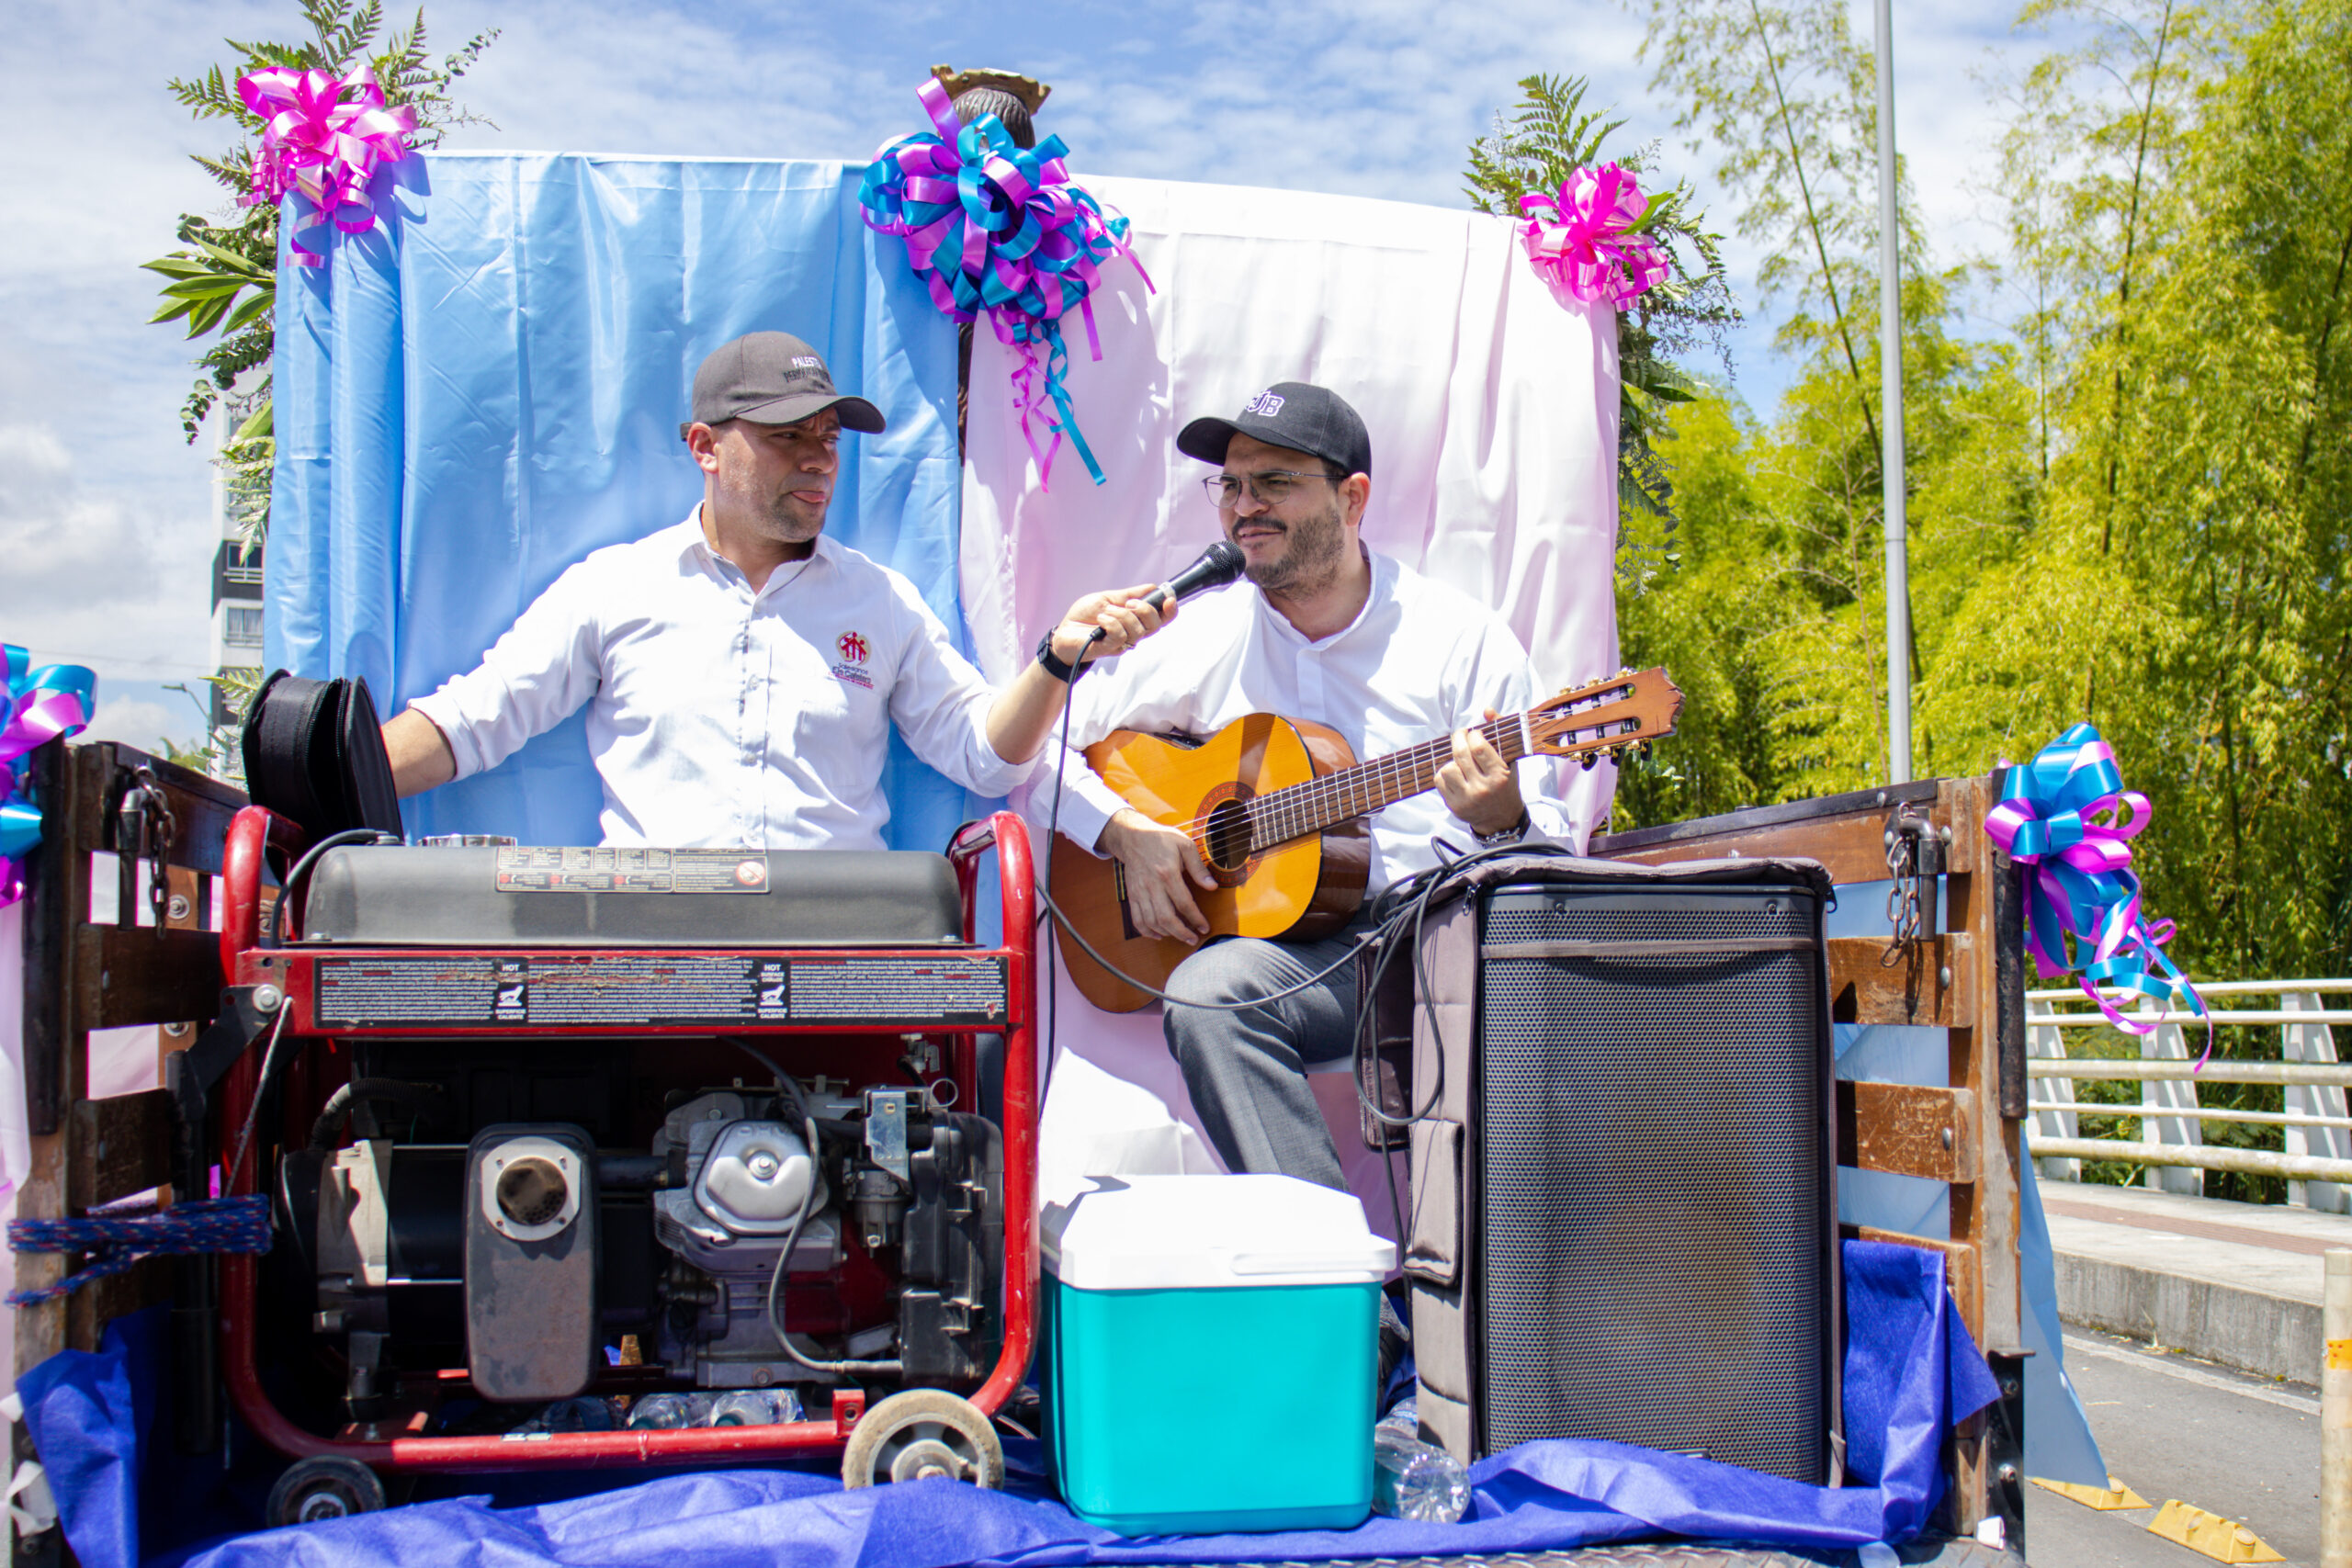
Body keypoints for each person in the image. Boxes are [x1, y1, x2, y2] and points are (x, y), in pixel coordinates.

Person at [1026, 380, 1586, 1196]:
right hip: (1289, 951)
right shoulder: (1203, 634)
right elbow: (1041, 750)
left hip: (1422, 941)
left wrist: (1504, 823)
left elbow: (1553, 853)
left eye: (1275, 481)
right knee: (1210, 996)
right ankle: (1332, 1280)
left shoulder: (1457, 640)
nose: (1244, 506)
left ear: (1352, 498)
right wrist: (1125, 835)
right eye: (1232, 484)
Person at [382, 331, 1168, 849]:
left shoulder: (879, 601)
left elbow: (984, 758)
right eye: (787, 436)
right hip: (660, 950)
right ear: (705, 447)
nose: (820, 459)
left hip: (845, 951)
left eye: (828, 438)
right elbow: (472, 721)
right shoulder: (616, 587)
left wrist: (1059, 659)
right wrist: (316, 783)